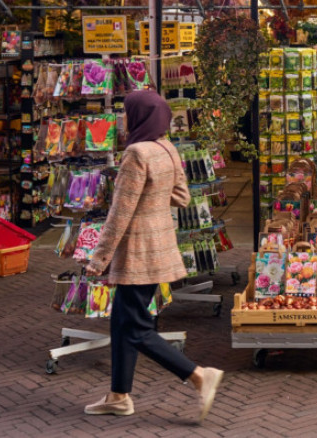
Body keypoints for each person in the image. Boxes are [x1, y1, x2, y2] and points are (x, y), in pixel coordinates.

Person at [84, 89, 223, 421]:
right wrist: (154, 197)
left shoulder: (136, 153)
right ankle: (119, 396)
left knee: (135, 327)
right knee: (122, 322)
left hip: (137, 252)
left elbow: (120, 212)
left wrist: (98, 258)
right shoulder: (167, 148)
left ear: (136, 116)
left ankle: (199, 376)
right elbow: (182, 197)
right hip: (159, 246)